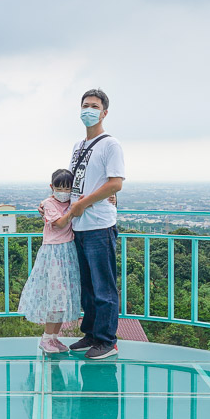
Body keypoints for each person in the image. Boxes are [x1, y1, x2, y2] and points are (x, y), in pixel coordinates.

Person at [67, 88, 125, 360]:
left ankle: (106, 340)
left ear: (104, 112)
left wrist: (83, 204)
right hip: (79, 226)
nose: (88, 110)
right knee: (88, 286)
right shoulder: (79, 146)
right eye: (85, 105)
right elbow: (75, 183)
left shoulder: (110, 144)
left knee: (103, 286)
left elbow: (116, 183)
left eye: (93, 106)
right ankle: (91, 333)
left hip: (99, 225)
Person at [17, 169, 83, 354]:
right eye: (59, 187)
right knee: (54, 297)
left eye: (67, 188)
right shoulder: (48, 204)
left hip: (68, 251)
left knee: (63, 297)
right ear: (51, 187)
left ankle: (54, 338)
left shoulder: (71, 202)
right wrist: (73, 211)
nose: (63, 191)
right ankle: (46, 337)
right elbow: (60, 223)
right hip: (53, 253)